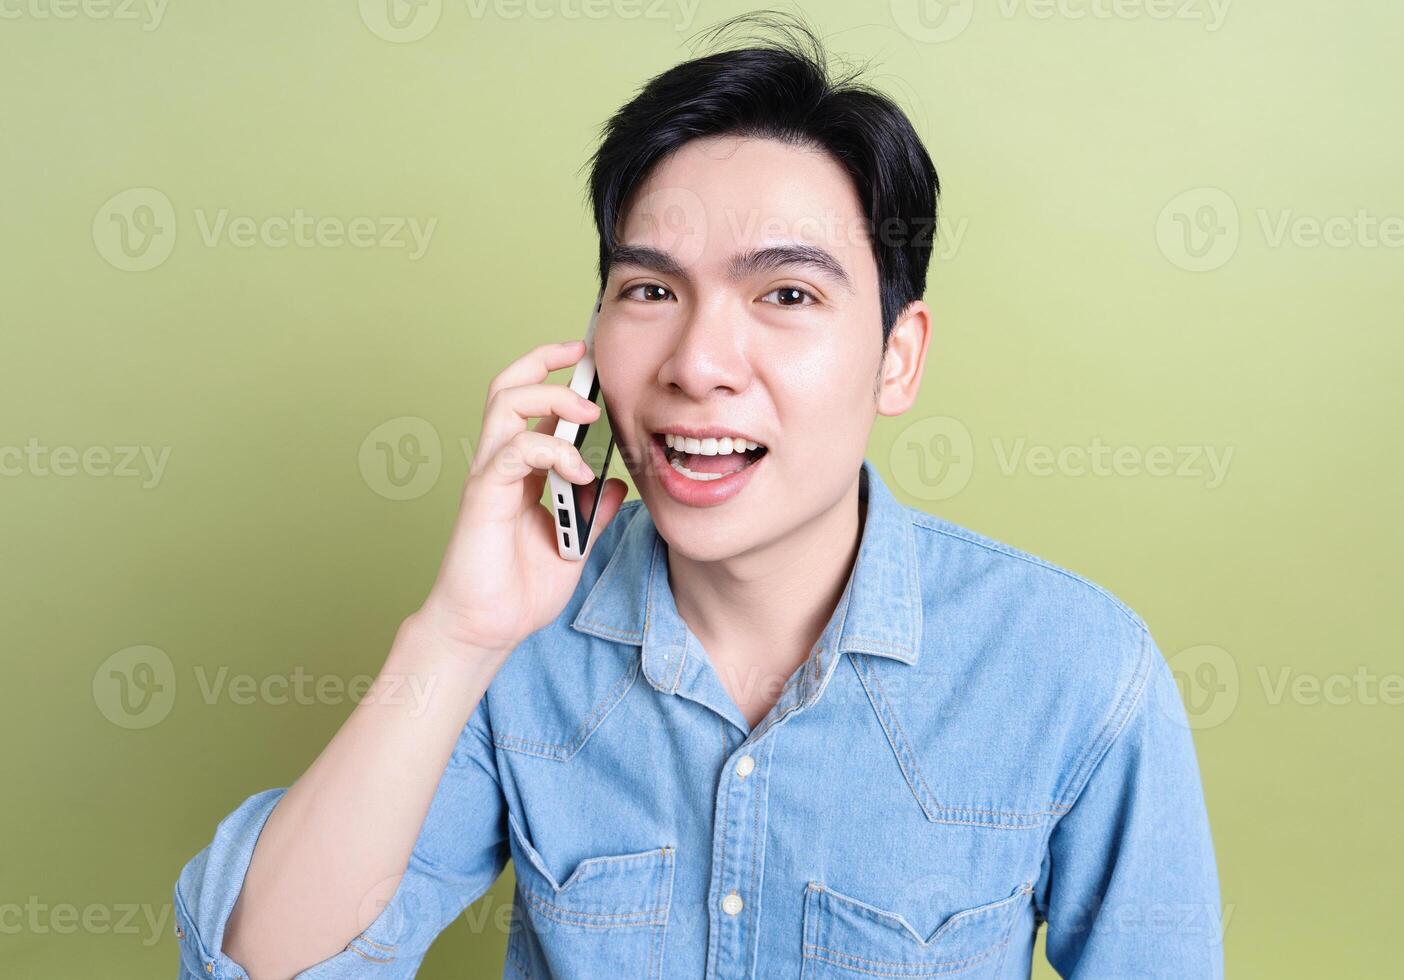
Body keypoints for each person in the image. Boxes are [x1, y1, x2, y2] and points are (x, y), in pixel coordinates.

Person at [174, 14, 1222, 979]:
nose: (699, 360)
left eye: (787, 294)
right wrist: (456, 632)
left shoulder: (1076, 670)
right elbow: (259, 963)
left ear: (898, 359)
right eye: (650, 290)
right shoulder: (522, 646)